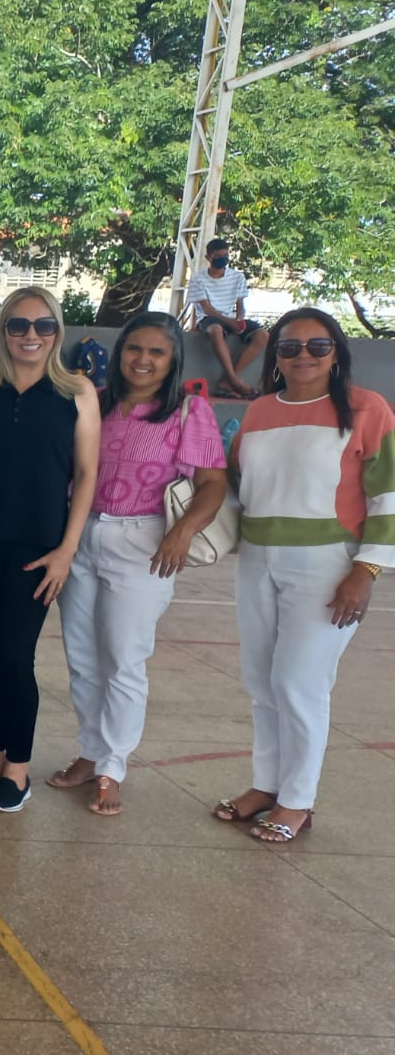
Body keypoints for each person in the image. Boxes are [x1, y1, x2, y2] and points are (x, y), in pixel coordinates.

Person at [214, 309, 394, 843]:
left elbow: (388, 496)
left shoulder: (367, 409)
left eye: (318, 347)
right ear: (276, 357)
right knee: (262, 680)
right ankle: (266, 785)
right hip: (257, 558)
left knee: (299, 683)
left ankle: (298, 800)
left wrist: (365, 571)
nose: (303, 357)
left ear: (336, 351)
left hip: (328, 563)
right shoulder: (259, 411)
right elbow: (232, 482)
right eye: (290, 347)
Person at [50, 313, 227, 817]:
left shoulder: (189, 412)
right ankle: (89, 751)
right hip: (83, 533)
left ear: (172, 360)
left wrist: (181, 532)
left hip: (145, 540)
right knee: (83, 656)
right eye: (134, 349)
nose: (143, 360)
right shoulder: (93, 399)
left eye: (157, 352)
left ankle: (113, 766)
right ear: (120, 352)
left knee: (124, 658)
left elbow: (213, 483)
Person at [0, 287, 100, 814]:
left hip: (39, 549)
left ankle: (18, 765)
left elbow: (85, 475)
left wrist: (66, 550)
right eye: (18, 326)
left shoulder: (78, 392)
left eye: (43, 326)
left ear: (57, 331)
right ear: (2, 333)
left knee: (16, 657)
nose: (31, 336)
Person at [188, 237, 268, 399]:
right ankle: (234, 379)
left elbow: (240, 304)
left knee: (263, 335)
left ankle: (229, 379)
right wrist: (228, 321)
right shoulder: (198, 279)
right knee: (216, 330)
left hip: (231, 317)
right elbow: (207, 309)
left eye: (225, 255)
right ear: (208, 258)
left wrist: (239, 318)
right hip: (209, 318)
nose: (223, 259)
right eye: (218, 256)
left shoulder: (237, 277)